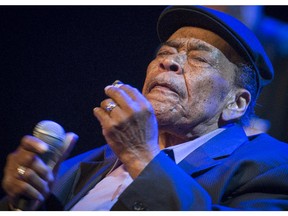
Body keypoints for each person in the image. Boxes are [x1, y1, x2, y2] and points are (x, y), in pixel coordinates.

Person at [1, 5, 288, 211]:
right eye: (165, 52)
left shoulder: (271, 166)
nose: (169, 62)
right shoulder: (83, 164)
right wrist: (22, 203)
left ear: (236, 103)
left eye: (200, 59)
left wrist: (142, 156)